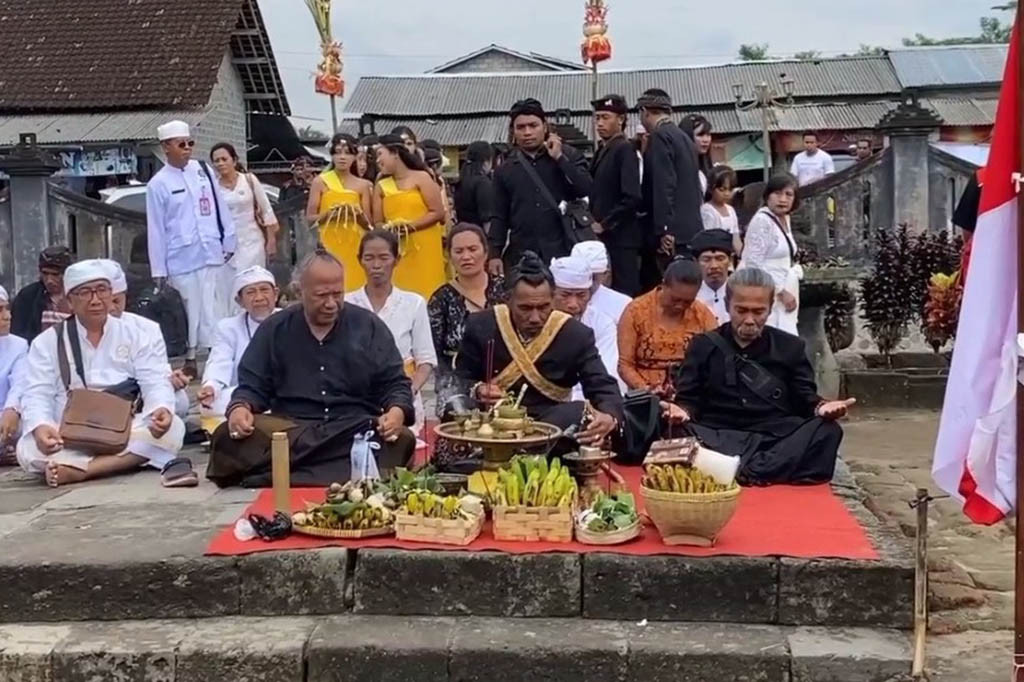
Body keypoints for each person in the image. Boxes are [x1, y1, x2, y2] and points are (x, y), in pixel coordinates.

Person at [208, 250, 415, 487]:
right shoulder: (275, 328)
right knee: (227, 437)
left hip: (352, 428)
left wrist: (396, 411)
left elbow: (395, 383)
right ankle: (347, 473)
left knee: (401, 441)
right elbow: (252, 386)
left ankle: (279, 474)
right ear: (299, 291)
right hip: (291, 429)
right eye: (321, 295)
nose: (330, 303)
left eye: (337, 294)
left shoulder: (368, 325)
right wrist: (240, 408)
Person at [668, 268, 855, 485]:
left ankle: (738, 470)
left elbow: (804, 398)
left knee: (828, 431)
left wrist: (821, 407)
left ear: (770, 308)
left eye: (758, 312)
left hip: (774, 436)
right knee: (672, 430)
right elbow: (689, 399)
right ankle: (762, 469)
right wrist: (682, 411)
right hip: (717, 434)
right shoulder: (703, 345)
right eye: (741, 310)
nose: (749, 320)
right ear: (728, 305)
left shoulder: (791, 347)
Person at [16, 260, 186, 487]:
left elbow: (154, 380)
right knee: (28, 448)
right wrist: (41, 427)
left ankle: (82, 470)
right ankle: (125, 460)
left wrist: (160, 410)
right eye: (85, 292)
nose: (95, 300)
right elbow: (36, 392)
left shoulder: (137, 332)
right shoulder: (45, 343)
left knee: (172, 428)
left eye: (102, 290)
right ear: (69, 302)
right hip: (69, 431)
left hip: (123, 426)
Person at [456, 252, 622, 446]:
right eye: (525, 308)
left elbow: (601, 383)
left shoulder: (575, 334)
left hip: (549, 422)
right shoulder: (481, 325)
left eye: (543, 307)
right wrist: (478, 389)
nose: (535, 318)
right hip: (490, 419)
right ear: (508, 300)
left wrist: (610, 414)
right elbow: (458, 379)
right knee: (456, 407)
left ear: (552, 299)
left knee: (578, 412)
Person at [146, 120, 237, 377]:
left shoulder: (203, 171)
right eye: (181, 144)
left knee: (215, 309)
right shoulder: (158, 184)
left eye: (190, 144)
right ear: (166, 147)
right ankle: (190, 356)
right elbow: (156, 228)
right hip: (182, 257)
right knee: (191, 311)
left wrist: (228, 240)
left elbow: (219, 207)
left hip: (212, 251)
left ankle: (216, 357)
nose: (187, 149)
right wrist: (159, 269)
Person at [347, 230, 437, 436]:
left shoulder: (414, 303)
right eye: (369, 258)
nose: (376, 265)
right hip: (356, 399)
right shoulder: (347, 303)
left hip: (403, 395)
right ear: (359, 260)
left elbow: (425, 360)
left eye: (384, 257)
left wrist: (406, 394)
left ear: (396, 260)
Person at [488, 99, 593, 274]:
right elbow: (499, 215)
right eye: (521, 127)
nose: (527, 132)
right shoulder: (505, 168)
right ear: (513, 131)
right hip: (522, 253)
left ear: (544, 127)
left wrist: (559, 159)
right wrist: (494, 254)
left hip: (564, 249)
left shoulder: (568, 155)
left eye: (533, 125)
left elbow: (586, 189)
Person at [428, 223, 507, 416]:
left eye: (472, 249)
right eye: (459, 251)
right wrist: (472, 387)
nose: (466, 257)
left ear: (485, 252)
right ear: (449, 256)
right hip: (457, 382)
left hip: (505, 379)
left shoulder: (506, 291)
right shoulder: (440, 299)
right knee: (459, 412)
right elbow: (437, 356)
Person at [103, 260, 191, 422]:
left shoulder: (146, 328)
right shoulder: (78, 330)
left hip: (137, 395)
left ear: (125, 298)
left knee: (180, 401)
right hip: (98, 400)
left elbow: (157, 372)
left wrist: (170, 378)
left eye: (116, 301)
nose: (111, 309)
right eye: (105, 302)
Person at [618, 257, 718, 396]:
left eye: (687, 301)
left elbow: (715, 358)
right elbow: (625, 365)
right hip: (644, 396)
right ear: (663, 285)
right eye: (675, 299)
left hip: (690, 395)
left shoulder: (702, 314)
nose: (680, 306)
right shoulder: (636, 311)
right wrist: (645, 389)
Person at [637, 89, 704, 290]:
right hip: (691, 227)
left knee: (672, 289)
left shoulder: (660, 137)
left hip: (672, 232)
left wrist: (664, 228)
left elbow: (664, 185)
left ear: (644, 111)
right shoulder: (683, 138)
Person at [198, 265, 280, 418]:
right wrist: (211, 387)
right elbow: (219, 361)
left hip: (285, 392)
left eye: (264, 290)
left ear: (275, 294)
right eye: (250, 292)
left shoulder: (291, 321)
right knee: (210, 405)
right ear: (239, 301)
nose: (259, 298)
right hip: (247, 394)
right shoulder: (228, 327)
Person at [372, 134, 447, 300]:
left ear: (395, 153)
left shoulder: (422, 177)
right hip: (397, 250)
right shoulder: (381, 186)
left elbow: (438, 212)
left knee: (429, 294)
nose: (377, 161)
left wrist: (409, 227)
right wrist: (389, 232)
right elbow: (377, 222)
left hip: (425, 248)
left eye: (380, 154)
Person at [549, 256, 625, 398]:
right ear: (551, 293)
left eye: (581, 295)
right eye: (565, 295)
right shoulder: (536, 321)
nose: (573, 304)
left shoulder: (601, 323)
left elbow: (607, 375)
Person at [590, 95, 643, 297]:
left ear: (620, 119)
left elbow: (632, 196)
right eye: (597, 118)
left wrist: (605, 223)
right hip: (604, 238)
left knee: (624, 294)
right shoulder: (603, 150)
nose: (600, 123)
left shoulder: (625, 149)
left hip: (622, 237)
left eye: (605, 117)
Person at [307, 133, 373, 293]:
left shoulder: (364, 185)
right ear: (332, 156)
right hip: (329, 242)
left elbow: (370, 224)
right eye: (337, 152)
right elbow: (310, 218)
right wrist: (329, 215)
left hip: (355, 242)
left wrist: (356, 216)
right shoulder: (321, 182)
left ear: (355, 157)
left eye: (348, 153)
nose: (342, 157)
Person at [740, 174, 802, 335]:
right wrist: (780, 292)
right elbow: (753, 264)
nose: (783, 199)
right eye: (777, 193)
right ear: (768, 196)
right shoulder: (762, 221)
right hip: (766, 292)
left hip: (785, 287)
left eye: (788, 194)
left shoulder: (785, 218)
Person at [210, 142, 279, 272]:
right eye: (216, 161)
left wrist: (271, 241)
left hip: (253, 241)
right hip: (228, 246)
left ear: (234, 160)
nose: (220, 163)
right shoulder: (213, 188)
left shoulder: (249, 180)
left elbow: (266, 210)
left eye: (224, 159)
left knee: (253, 279)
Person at [11, 246, 74, 343]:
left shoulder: (78, 295)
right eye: (45, 274)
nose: (49, 280)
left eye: (55, 274)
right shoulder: (28, 296)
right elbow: (17, 333)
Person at [571, 240, 632, 324]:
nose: (586, 283)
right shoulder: (558, 301)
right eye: (581, 276)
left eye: (592, 277)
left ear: (606, 274)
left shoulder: (623, 304)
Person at [0, 285, 28, 464]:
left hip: (8, 418)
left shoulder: (18, 346)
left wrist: (12, 409)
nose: (7, 316)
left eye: (7, 308)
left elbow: (21, 382)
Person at [690, 229, 734, 326]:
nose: (714, 266)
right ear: (696, 262)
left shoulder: (740, 292)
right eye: (706, 259)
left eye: (720, 259)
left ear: (730, 260)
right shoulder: (689, 296)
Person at [700, 165, 743, 256]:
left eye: (730, 190)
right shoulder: (707, 211)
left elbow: (736, 239)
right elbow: (710, 240)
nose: (726, 194)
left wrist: (742, 256)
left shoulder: (731, 210)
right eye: (722, 190)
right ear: (711, 189)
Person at [454, 141, 495, 230]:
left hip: (462, 231)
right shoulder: (483, 183)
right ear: (486, 161)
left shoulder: (461, 180)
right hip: (478, 234)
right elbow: (486, 218)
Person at [680, 113, 714, 194]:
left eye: (708, 135)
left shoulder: (710, 168)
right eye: (700, 135)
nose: (706, 140)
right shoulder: (679, 169)